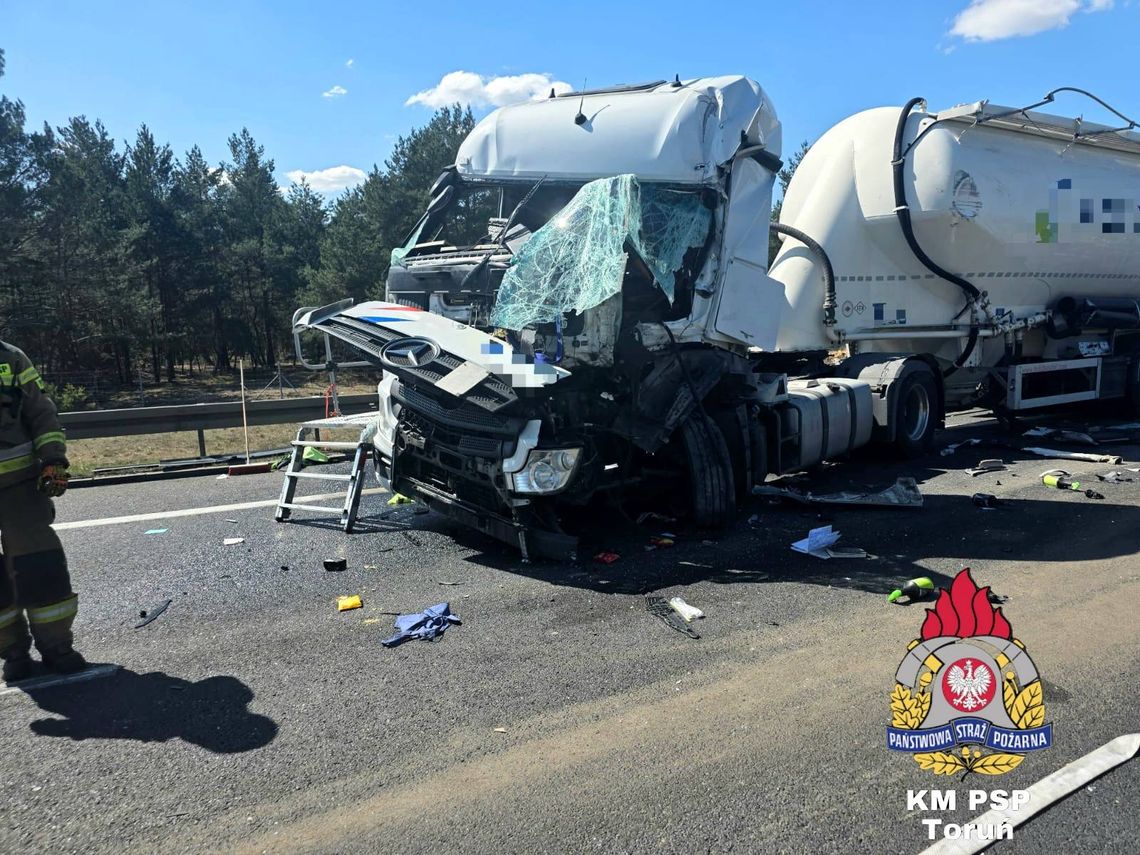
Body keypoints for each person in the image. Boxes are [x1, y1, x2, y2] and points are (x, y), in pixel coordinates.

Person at [0, 339, 84, 682]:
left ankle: (56, 648)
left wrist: (52, 458)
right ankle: (12, 652)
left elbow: (41, 411)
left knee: (39, 562)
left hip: (20, 484)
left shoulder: (10, 358)